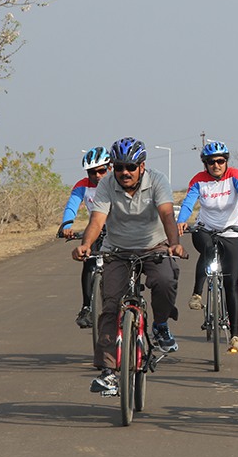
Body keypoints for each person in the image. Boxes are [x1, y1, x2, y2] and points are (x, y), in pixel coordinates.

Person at [72, 137, 187, 395]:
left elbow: (167, 214)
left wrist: (174, 244)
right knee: (111, 306)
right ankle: (108, 372)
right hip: (117, 249)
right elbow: (97, 220)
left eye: (131, 167)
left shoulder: (157, 180)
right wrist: (86, 245)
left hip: (154, 246)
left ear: (142, 166)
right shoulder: (106, 184)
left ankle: (160, 326)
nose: (125, 172)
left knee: (165, 280)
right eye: (119, 167)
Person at [176, 140, 238, 352]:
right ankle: (197, 294)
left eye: (220, 161)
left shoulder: (234, 175)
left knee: (232, 284)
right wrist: (182, 221)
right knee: (209, 250)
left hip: (231, 231)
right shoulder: (198, 180)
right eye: (211, 162)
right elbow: (188, 203)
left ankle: (235, 335)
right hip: (205, 229)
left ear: (226, 161)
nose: (216, 165)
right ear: (205, 164)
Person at [60, 146, 111, 328]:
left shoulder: (117, 182)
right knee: (88, 262)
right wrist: (67, 225)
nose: (97, 175)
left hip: (119, 230)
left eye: (101, 171)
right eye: (92, 172)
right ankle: (87, 307)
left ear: (110, 167)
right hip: (95, 229)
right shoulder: (82, 185)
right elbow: (72, 205)